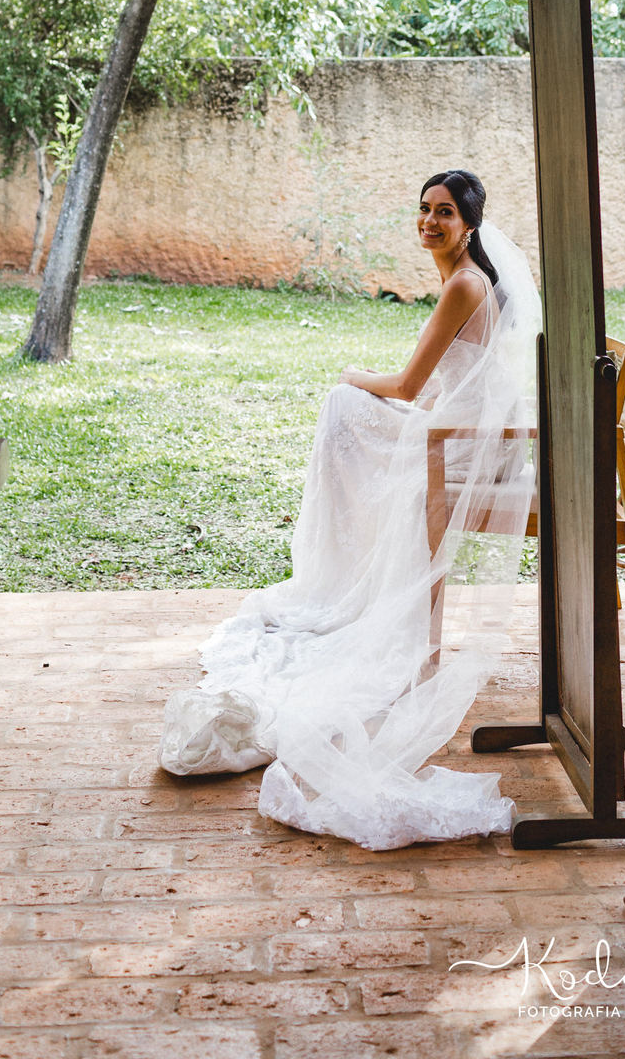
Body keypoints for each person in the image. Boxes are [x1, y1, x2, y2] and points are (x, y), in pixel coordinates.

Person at [159, 168, 541, 850]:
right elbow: (440, 388)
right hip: (457, 434)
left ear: (472, 225)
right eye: (423, 209)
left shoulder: (463, 285)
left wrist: (350, 376)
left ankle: (342, 578)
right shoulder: (471, 280)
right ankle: (348, 573)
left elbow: (407, 385)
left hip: (456, 452)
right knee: (351, 414)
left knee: (343, 406)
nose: (430, 222)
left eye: (445, 212)